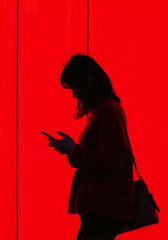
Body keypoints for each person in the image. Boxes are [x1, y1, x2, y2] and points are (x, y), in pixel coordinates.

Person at [48, 55, 134, 240]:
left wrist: (74, 149)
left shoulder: (106, 110)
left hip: (102, 210)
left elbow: (112, 161)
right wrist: (71, 149)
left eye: (74, 87)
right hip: (102, 210)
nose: (74, 94)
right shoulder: (104, 109)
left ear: (88, 80)